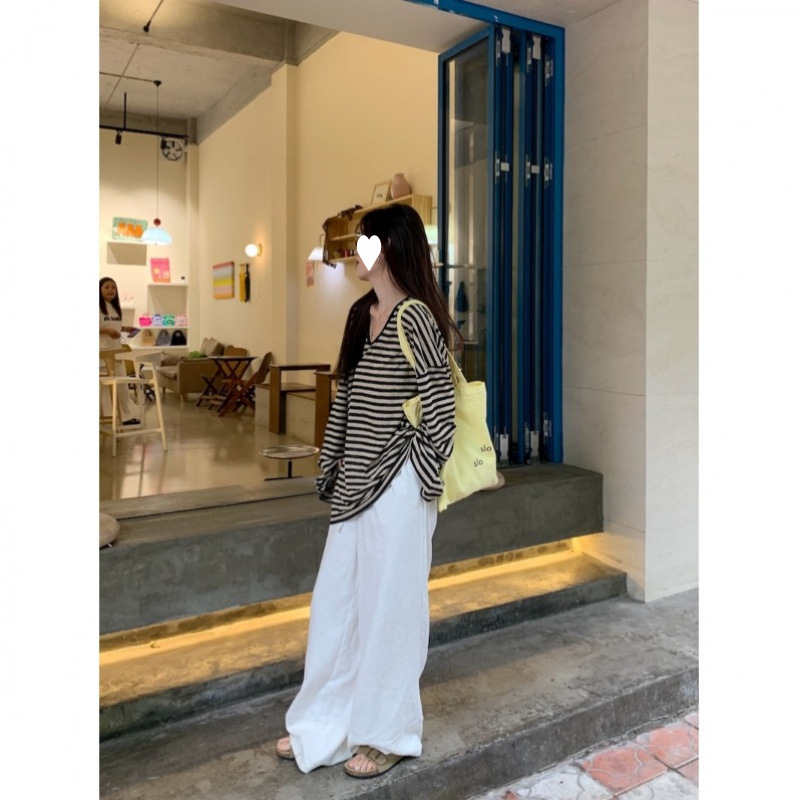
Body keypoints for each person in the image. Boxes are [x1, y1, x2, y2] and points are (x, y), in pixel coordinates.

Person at [276, 203, 460, 779]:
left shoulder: (416, 318)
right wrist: (331, 464)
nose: (357, 251)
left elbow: (441, 405)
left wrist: (420, 475)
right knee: (338, 610)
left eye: (365, 241)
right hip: (355, 486)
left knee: (391, 613)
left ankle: (388, 734)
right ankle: (325, 726)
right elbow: (347, 399)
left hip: (400, 486)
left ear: (390, 248)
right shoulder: (362, 314)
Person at [99, 277, 140, 425]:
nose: (111, 290)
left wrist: (125, 329)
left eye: (113, 287)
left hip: (116, 352)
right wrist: (106, 331)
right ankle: (107, 417)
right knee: (103, 389)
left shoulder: (115, 308)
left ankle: (125, 416)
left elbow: (113, 326)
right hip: (101, 354)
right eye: (107, 287)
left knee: (121, 387)